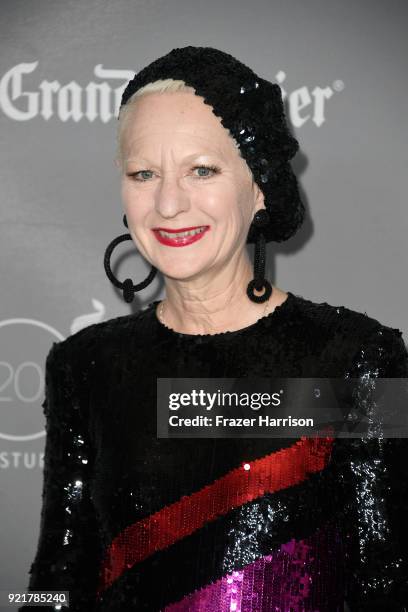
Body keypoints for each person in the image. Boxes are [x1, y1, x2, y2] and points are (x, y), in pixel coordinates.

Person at [21, 46, 408, 611]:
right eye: (143, 173)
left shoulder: (360, 360)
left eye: (202, 170)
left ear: (259, 189)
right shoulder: (85, 365)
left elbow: (389, 584)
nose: (169, 202)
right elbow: (57, 577)